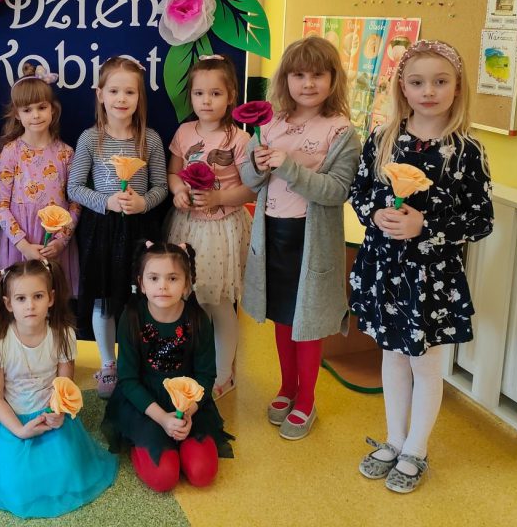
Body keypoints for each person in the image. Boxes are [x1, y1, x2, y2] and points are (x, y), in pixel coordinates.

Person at [350, 40, 493, 493]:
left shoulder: (466, 150)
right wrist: (375, 214)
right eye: (417, 82)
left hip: (431, 276)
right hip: (385, 268)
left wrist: (425, 225)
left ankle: (417, 448)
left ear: (457, 88)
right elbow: (359, 192)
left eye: (440, 82)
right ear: (403, 89)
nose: (428, 91)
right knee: (392, 356)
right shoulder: (383, 138)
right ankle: (395, 439)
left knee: (425, 364)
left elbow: (481, 219)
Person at [239, 36, 361, 440]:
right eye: (299, 75)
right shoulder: (270, 123)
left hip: (311, 242)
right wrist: (257, 165)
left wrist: (290, 167)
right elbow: (250, 178)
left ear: (333, 79)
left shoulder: (341, 131)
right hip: (273, 235)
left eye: (318, 75)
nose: (308, 84)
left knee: (306, 321)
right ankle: (286, 387)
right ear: (286, 79)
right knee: (282, 316)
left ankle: (306, 399)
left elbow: (337, 190)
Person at [0, 259, 117, 517]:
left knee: (68, 469)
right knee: (15, 482)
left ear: (50, 298)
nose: (30, 305)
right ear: (8, 303)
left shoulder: (63, 335)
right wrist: (20, 430)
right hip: (11, 418)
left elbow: (65, 386)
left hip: (51, 413)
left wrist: (58, 412)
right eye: (21, 298)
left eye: (37, 296)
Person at [68, 56, 167, 398]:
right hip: (102, 232)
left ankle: (136, 362)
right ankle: (108, 364)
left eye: (130, 92)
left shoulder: (150, 139)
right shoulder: (90, 139)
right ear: (100, 94)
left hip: (140, 230)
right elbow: (74, 187)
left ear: (140, 97)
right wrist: (105, 202)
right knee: (104, 299)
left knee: (138, 300)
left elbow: (161, 186)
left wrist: (143, 202)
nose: (121, 99)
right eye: (113, 91)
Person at [102, 242, 233, 492]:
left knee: (202, 474)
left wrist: (188, 414)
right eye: (154, 278)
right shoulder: (132, 318)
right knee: (164, 478)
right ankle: (145, 442)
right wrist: (163, 419)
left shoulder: (197, 319)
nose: (162, 286)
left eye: (172, 278)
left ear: (186, 284)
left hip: (189, 404)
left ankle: (180, 441)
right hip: (145, 403)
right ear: (141, 284)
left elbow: (206, 376)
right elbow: (128, 380)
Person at [164, 54, 253, 399]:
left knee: (219, 304)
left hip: (221, 229)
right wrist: (178, 191)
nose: (206, 101)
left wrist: (218, 198)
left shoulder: (239, 139)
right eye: (199, 93)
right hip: (188, 227)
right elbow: (173, 172)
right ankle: (195, 366)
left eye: (215, 93)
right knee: (191, 301)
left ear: (231, 96)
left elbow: (251, 188)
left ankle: (223, 374)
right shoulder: (184, 132)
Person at [0, 64, 80, 291]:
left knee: (53, 295)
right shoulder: (10, 152)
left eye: (42, 107)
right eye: (27, 110)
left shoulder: (66, 153)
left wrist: (61, 240)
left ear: (53, 109)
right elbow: (0, 205)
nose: (35, 115)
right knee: (22, 295)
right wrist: (22, 245)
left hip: (55, 242)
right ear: (17, 114)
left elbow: (76, 203)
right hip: (21, 243)